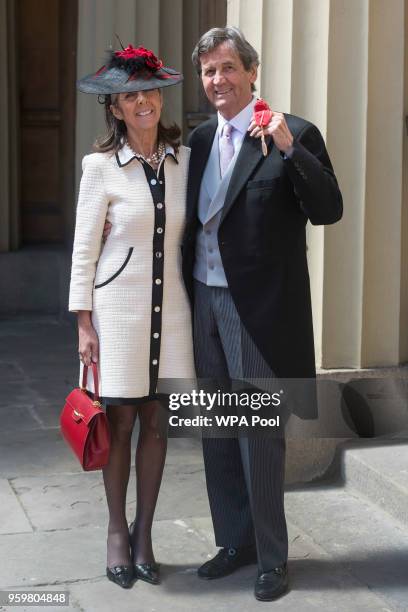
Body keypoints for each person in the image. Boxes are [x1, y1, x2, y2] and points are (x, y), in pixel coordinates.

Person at [180, 27, 343, 602]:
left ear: (252, 72)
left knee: (258, 435)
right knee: (217, 431)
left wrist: (289, 150)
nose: (217, 80)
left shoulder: (293, 132)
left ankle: (272, 558)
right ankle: (235, 542)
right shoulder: (198, 141)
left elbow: (328, 209)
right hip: (202, 300)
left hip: (258, 312)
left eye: (227, 68)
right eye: (208, 72)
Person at [69, 44, 195, 589]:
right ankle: (117, 531)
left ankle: (146, 533)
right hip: (117, 313)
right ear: (115, 109)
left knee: (159, 424)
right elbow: (83, 250)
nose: (142, 101)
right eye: (129, 95)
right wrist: (83, 321)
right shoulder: (99, 168)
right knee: (119, 423)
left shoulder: (186, 160)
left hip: (174, 316)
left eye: (148, 91)